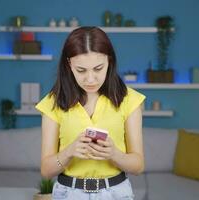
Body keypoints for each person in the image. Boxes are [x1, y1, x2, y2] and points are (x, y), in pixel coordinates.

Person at [35, 26, 145, 200]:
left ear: (109, 61)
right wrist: (69, 152)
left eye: (98, 68)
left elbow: (138, 166)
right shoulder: (52, 102)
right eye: (81, 70)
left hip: (116, 193)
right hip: (68, 193)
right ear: (69, 64)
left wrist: (114, 154)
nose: (91, 79)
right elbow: (46, 171)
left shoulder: (130, 99)